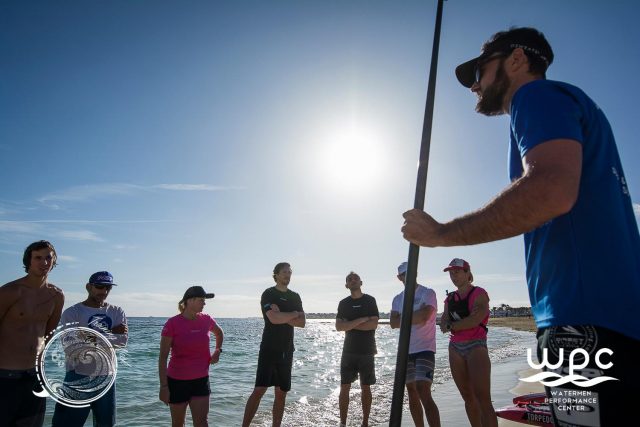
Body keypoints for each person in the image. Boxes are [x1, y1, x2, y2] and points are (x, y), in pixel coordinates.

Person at [401, 27, 640, 426]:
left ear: (516, 60)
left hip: (579, 328)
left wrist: (440, 234)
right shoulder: (577, 107)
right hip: (611, 321)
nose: (475, 85)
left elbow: (551, 190)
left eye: (480, 70)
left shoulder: (536, 96)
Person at [0, 240, 64, 427]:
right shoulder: (11, 291)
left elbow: (48, 333)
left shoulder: (56, 295)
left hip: (35, 376)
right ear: (28, 261)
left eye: (48, 258)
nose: (44, 262)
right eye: (38, 258)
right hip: (5, 376)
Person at [51, 271, 128, 427]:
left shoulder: (116, 311)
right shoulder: (73, 313)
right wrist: (111, 333)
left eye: (108, 288)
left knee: (105, 424)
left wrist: (85, 334)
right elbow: (71, 348)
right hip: (77, 376)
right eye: (100, 287)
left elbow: (122, 342)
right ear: (88, 287)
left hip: (107, 377)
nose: (104, 292)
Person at [242, 262, 305, 427]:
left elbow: (302, 323)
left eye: (290, 272)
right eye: (284, 272)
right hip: (269, 349)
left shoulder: (295, 296)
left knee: (281, 393)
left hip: (287, 350)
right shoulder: (268, 294)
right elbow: (273, 319)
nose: (288, 275)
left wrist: (284, 315)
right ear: (276, 274)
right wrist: (293, 314)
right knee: (259, 390)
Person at [440, 259, 497, 427]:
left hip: (476, 346)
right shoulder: (450, 298)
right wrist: (453, 325)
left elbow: (476, 320)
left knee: (483, 398)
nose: (453, 276)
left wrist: (453, 325)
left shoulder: (480, 293)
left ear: (467, 273)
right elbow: (443, 325)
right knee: (467, 397)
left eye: (457, 272)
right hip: (455, 348)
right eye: (451, 273)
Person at [159, 286, 224, 427]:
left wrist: (218, 351)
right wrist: (164, 386)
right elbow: (163, 357)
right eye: (201, 300)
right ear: (190, 301)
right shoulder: (172, 323)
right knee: (178, 424)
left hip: (201, 380)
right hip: (177, 382)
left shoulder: (206, 320)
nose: (204, 303)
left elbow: (219, 333)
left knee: (201, 423)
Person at [390, 262, 440, 427]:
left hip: (425, 348)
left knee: (423, 390)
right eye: (404, 274)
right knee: (411, 391)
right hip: (405, 351)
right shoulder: (398, 299)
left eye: (410, 272)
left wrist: (403, 317)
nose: (407, 276)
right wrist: (413, 316)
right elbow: (393, 322)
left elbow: (425, 316)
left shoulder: (428, 293)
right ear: (399, 278)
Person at [335, 271, 379, 427]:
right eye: (349, 279)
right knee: (344, 388)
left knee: (365, 387)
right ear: (346, 285)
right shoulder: (343, 303)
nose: (353, 280)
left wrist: (350, 324)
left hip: (367, 351)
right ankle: (342, 423)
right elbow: (339, 326)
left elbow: (373, 324)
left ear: (361, 282)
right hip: (348, 351)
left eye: (355, 279)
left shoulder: (370, 300)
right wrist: (362, 320)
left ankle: (365, 423)